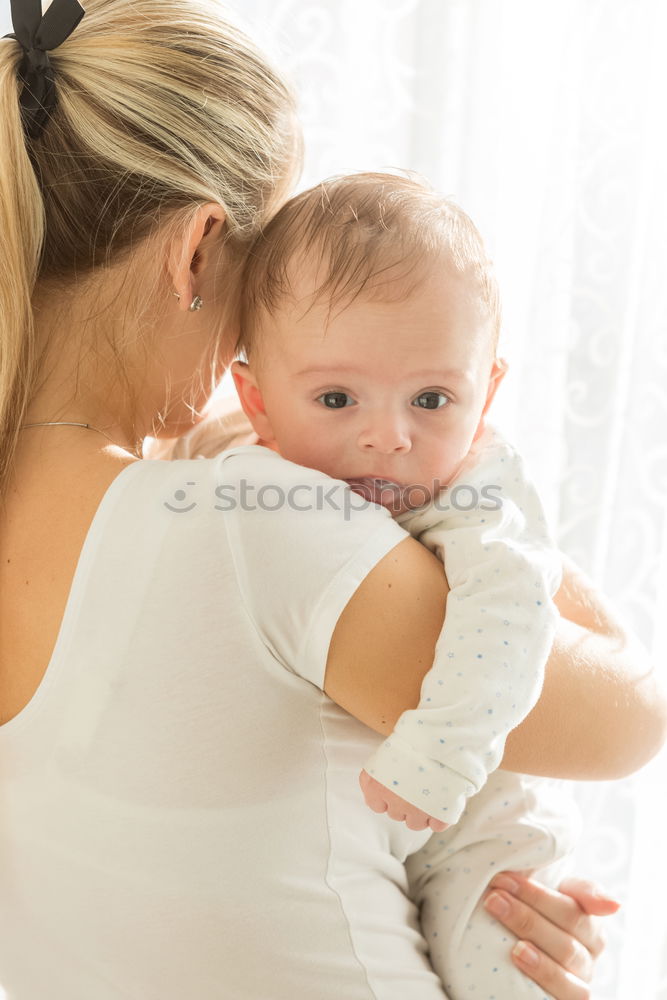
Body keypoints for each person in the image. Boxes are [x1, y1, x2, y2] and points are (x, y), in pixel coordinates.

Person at [0, 1, 663, 998]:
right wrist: (466, 474)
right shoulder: (249, 522)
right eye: (265, 277)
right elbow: (630, 714)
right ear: (196, 252)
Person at [218, 170, 595, 996]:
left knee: (508, 965)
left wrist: (443, 755)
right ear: (257, 401)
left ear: (486, 392)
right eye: (336, 398)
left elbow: (511, 610)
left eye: (431, 398)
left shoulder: (477, 487)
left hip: (479, 817)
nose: (387, 437)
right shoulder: (248, 477)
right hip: (373, 823)